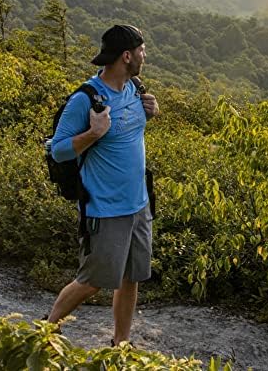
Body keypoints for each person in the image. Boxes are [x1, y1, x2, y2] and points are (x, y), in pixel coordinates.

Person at [47, 24, 159, 346]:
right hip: (106, 209)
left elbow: (129, 131)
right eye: (141, 50)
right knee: (92, 280)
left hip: (139, 204)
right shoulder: (86, 99)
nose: (144, 55)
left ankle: (120, 345)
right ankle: (45, 331)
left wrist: (150, 112)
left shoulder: (133, 87)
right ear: (127, 55)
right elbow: (59, 149)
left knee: (130, 277)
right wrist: (93, 134)